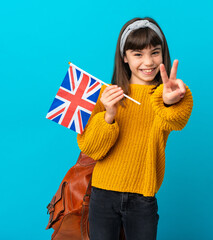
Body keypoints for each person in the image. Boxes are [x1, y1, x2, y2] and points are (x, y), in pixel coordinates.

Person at [77, 17, 193, 240]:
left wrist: (171, 101)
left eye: (155, 52)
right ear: (124, 58)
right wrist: (109, 115)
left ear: (163, 54)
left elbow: (176, 120)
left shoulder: (163, 97)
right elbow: (92, 149)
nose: (148, 62)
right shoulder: (106, 95)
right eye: (138, 54)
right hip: (102, 194)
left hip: (143, 196)